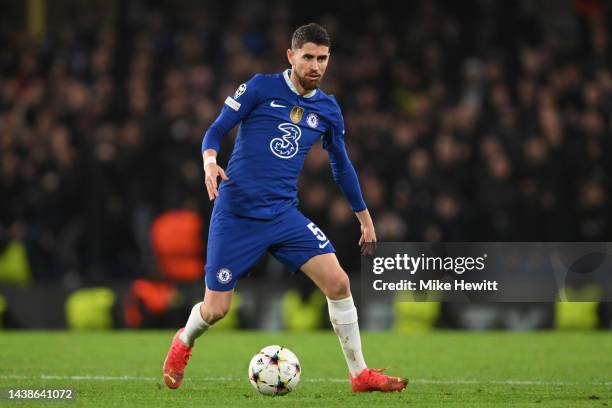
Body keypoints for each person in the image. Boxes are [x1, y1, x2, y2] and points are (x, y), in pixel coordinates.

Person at [163, 23, 408, 393]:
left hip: (282, 215)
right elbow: (215, 129)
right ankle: (183, 341)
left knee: (339, 282)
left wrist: (365, 218)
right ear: (290, 56)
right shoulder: (260, 87)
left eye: (322, 58)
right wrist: (209, 161)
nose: (315, 65)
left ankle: (360, 374)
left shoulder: (328, 109)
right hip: (237, 214)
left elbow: (342, 167)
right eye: (308, 57)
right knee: (215, 310)